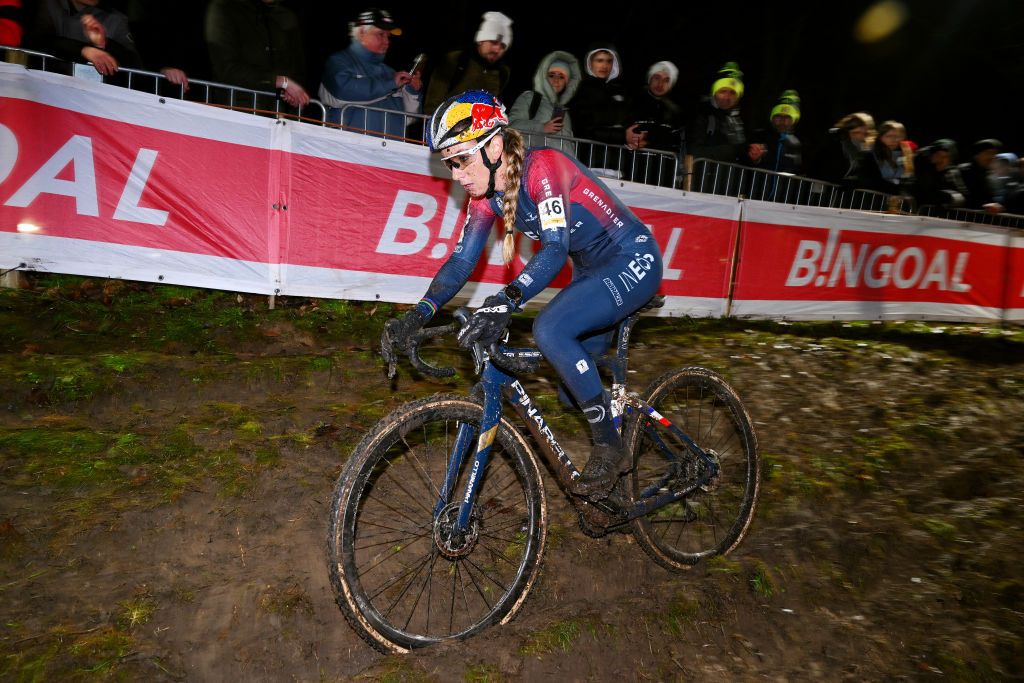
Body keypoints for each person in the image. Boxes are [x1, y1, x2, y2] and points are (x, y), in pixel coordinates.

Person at [383, 90, 664, 500]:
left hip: (631, 256)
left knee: (550, 329)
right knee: (572, 393)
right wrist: (416, 316)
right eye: (449, 163)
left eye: (461, 158)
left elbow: (554, 248)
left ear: (495, 146)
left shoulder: (542, 168)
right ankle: (616, 449)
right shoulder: (486, 197)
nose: (456, 173)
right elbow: (461, 263)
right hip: (592, 269)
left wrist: (506, 300)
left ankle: (611, 446)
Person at [319, 8, 421, 139]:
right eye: (380, 34)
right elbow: (341, 94)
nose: (387, 41)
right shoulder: (338, 62)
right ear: (361, 32)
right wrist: (390, 84)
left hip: (390, 153)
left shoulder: (390, 72)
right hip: (349, 152)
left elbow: (409, 118)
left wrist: (412, 91)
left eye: (388, 36)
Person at [204, 0, 309, 108]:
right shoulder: (223, 8)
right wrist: (278, 81)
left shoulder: (286, 16)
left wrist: (291, 92)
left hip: (279, 114)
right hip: (237, 111)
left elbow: (297, 69)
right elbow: (226, 69)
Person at [422, 11, 512, 116]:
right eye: (493, 42)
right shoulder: (457, 59)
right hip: (446, 126)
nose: (497, 49)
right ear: (481, 40)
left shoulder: (503, 72)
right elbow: (433, 101)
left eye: (502, 46)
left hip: (480, 130)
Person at [567, 43, 635, 176]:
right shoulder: (581, 92)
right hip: (590, 165)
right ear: (590, 63)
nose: (604, 65)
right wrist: (623, 136)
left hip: (617, 167)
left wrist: (634, 137)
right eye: (599, 60)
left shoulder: (620, 92)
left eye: (609, 61)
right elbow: (586, 129)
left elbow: (628, 123)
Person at [686, 61, 754, 193]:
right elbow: (694, 152)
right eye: (723, 91)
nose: (727, 97)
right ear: (714, 92)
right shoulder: (701, 114)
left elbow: (745, 156)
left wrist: (754, 156)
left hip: (734, 189)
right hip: (705, 187)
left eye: (732, 93)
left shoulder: (742, 120)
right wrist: (734, 150)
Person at [29, 0, 143, 76]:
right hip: (52, 93)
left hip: (96, 102)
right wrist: (85, 50)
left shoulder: (116, 18)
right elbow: (40, 42)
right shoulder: (51, 6)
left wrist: (104, 44)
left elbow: (135, 65)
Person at [624, 60, 684, 185]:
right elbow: (624, 129)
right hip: (633, 170)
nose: (660, 84)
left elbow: (677, 139)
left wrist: (647, 139)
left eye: (666, 80)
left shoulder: (675, 110)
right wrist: (626, 137)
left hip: (663, 174)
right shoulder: (633, 101)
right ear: (649, 79)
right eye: (657, 78)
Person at [507, 50, 580, 150]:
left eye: (561, 77)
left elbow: (569, 145)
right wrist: (541, 127)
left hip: (559, 163)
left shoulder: (564, 111)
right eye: (551, 75)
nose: (556, 80)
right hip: (533, 162)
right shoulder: (530, 98)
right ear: (544, 77)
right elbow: (511, 126)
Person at [807, 111, 876, 188]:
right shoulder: (833, 147)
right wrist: (845, 182)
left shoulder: (866, 153)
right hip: (818, 192)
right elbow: (822, 172)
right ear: (846, 132)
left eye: (865, 134)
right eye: (856, 132)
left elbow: (868, 178)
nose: (861, 137)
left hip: (841, 196)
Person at [909, 138, 967, 211]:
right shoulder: (920, 167)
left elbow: (962, 195)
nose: (940, 160)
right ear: (931, 155)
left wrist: (950, 197)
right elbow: (918, 192)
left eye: (945, 157)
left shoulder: (952, 172)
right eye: (938, 155)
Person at [856, 120, 910, 195]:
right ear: (880, 137)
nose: (894, 140)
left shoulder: (902, 155)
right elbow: (872, 181)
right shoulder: (869, 155)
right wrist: (898, 190)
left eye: (897, 137)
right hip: (873, 198)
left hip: (894, 200)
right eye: (889, 136)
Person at [959, 138, 1004, 213]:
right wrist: (983, 206)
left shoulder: (991, 175)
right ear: (977, 154)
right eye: (988, 153)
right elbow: (962, 197)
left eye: (994, 154)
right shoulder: (964, 171)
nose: (992, 157)